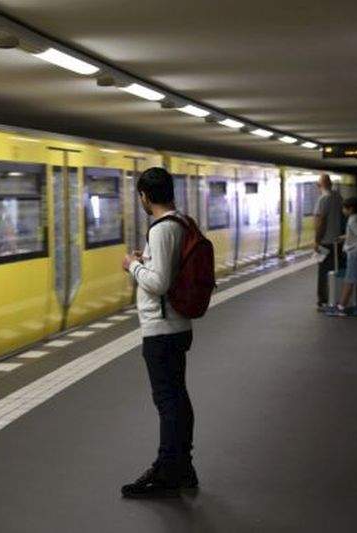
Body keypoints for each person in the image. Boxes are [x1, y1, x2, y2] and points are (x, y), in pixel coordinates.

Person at [120, 167, 197, 498]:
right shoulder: (181, 223)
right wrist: (146, 262)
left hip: (162, 329)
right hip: (175, 326)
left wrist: (132, 265)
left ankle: (167, 472)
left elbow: (159, 282)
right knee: (177, 398)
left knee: (168, 401)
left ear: (145, 197)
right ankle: (182, 467)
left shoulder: (162, 230)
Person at [327, 198, 357, 317]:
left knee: (349, 281)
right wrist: (344, 237)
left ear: (351, 209)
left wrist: (355, 251)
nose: (343, 210)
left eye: (345, 208)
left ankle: (341, 308)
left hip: (356, 256)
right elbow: (355, 234)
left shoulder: (352, 220)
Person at [313, 174, 345, 310]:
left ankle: (324, 301)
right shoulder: (338, 198)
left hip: (325, 242)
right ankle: (338, 298)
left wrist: (316, 241)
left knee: (324, 272)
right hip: (338, 241)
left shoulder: (323, 199)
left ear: (320, 186)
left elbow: (321, 222)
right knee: (338, 270)